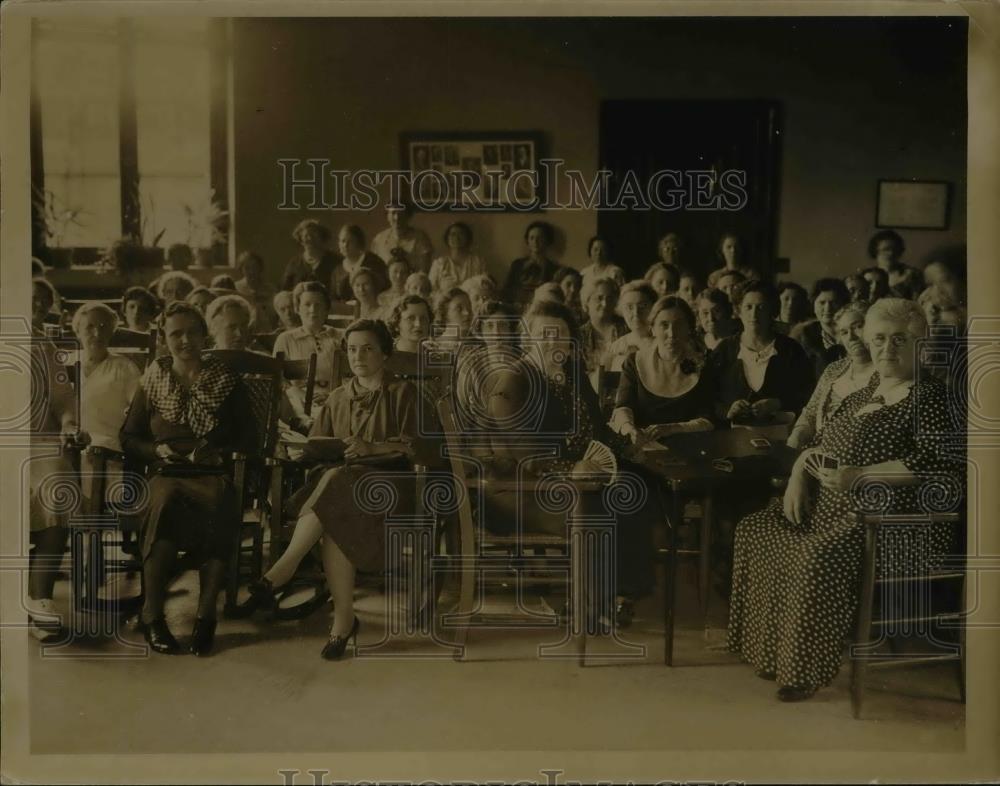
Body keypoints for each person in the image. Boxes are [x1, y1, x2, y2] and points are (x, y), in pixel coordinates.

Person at [727, 298, 962, 701]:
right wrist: (801, 468)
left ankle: (803, 671)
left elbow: (939, 466)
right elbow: (820, 442)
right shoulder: (864, 391)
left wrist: (861, 475)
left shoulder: (929, 397)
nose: (887, 348)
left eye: (900, 339)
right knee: (756, 529)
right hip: (832, 512)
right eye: (880, 339)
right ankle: (775, 653)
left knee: (814, 554)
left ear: (920, 345)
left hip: (891, 525)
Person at [239, 320, 422, 659]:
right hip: (343, 489)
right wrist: (300, 447)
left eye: (367, 348)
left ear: (385, 353)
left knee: (337, 486)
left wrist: (373, 447)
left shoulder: (403, 393)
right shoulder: (339, 397)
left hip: (394, 486)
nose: (358, 356)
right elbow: (317, 445)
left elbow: (419, 448)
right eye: (352, 349)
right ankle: (342, 623)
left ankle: (284, 568)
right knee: (336, 507)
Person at [120, 302, 257, 655]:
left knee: (219, 502)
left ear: (204, 334)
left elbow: (248, 438)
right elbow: (130, 437)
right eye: (175, 333)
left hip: (212, 472)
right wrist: (157, 452)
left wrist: (215, 450)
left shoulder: (226, 380)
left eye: (191, 332)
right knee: (163, 503)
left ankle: (205, 615)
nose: (185, 340)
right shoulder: (153, 379)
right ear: (164, 339)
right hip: (166, 472)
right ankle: (153, 615)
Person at [26, 311, 84, 640]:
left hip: (39, 442)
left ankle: (40, 599)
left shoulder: (42, 345)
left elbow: (64, 401)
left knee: (58, 484)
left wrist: (69, 425)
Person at [705, 280, 814, 425]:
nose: (754, 314)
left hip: (781, 433)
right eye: (748, 307)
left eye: (761, 307)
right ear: (738, 311)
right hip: (731, 435)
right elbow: (708, 396)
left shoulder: (790, 349)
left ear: (772, 311)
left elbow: (809, 394)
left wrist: (778, 403)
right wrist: (727, 410)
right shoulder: (725, 349)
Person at [610, 296, 713, 442]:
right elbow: (623, 407)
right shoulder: (634, 361)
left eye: (679, 325)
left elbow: (708, 419)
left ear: (689, 328)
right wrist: (630, 429)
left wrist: (673, 428)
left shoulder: (703, 363)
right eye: (664, 325)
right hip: (644, 444)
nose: (671, 334)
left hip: (690, 445)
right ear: (652, 328)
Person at [786, 302, 874, 449]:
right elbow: (810, 414)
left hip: (857, 455)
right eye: (844, 332)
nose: (851, 337)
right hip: (817, 451)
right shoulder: (834, 369)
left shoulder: (887, 373)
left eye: (858, 327)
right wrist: (796, 437)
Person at [273, 282, 344, 430]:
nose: (313, 310)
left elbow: (354, 373)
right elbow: (277, 377)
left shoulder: (341, 337)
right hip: (299, 400)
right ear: (298, 309)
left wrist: (334, 394)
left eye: (318, 305)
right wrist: (297, 392)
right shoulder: (286, 339)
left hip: (336, 397)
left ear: (326, 310)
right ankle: (305, 426)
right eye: (307, 304)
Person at [790, 278, 850, 377]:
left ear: (843, 305)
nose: (827, 308)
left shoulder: (855, 333)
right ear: (813, 306)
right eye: (822, 303)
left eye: (833, 302)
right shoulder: (802, 337)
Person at [578, 277, 627, 383]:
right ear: (587, 301)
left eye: (609, 298)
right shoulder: (578, 335)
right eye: (599, 298)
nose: (605, 304)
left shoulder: (626, 329)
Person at [503, 221, 559, 306]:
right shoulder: (518, 265)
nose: (535, 242)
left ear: (547, 241)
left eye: (540, 238)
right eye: (532, 238)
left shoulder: (553, 268)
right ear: (527, 241)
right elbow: (507, 290)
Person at [605, 280, 657, 372]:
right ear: (622, 311)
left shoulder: (663, 343)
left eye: (643, 306)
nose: (636, 313)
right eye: (629, 307)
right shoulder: (616, 347)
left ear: (654, 308)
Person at [331, 224, 389, 301]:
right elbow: (334, 299)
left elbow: (385, 290)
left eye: (350, 241)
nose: (345, 245)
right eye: (343, 241)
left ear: (359, 242)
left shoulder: (374, 262)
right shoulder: (337, 271)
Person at [371, 203, 433, 273]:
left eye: (401, 213)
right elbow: (375, 270)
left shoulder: (420, 238)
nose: (397, 218)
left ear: (408, 216)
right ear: (387, 216)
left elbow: (424, 270)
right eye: (393, 213)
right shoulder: (379, 239)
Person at [281, 219, 341, 292]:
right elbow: (285, 290)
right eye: (306, 236)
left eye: (314, 235)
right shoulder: (294, 264)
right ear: (301, 240)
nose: (310, 238)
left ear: (322, 237)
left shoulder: (335, 261)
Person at [428, 222, 485, 293]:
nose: (456, 237)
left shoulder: (477, 262)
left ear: (467, 238)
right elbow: (431, 289)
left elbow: (483, 286)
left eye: (461, 234)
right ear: (447, 239)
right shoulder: (439, 263)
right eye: (453, 234)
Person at [235, 251, 278, 334]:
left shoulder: (271, 290)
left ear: (260, 268)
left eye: (255, 267)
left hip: (268, 332)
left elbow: (276, 316)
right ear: (241, 269)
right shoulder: (235, 288)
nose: (251, 272)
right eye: (247, 268)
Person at [431, 287, 474, 352]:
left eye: (469, 307)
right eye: (459, 309)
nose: (467, 313)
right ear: (445, 313)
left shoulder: (478, 346)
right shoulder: (433, 347)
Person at [695, 287, 737, 351]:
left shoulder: (738, 341)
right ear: (699, 315)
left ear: (727, 311)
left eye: (716, 311)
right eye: (705, 313)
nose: (711, 318)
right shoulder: (696, 343)